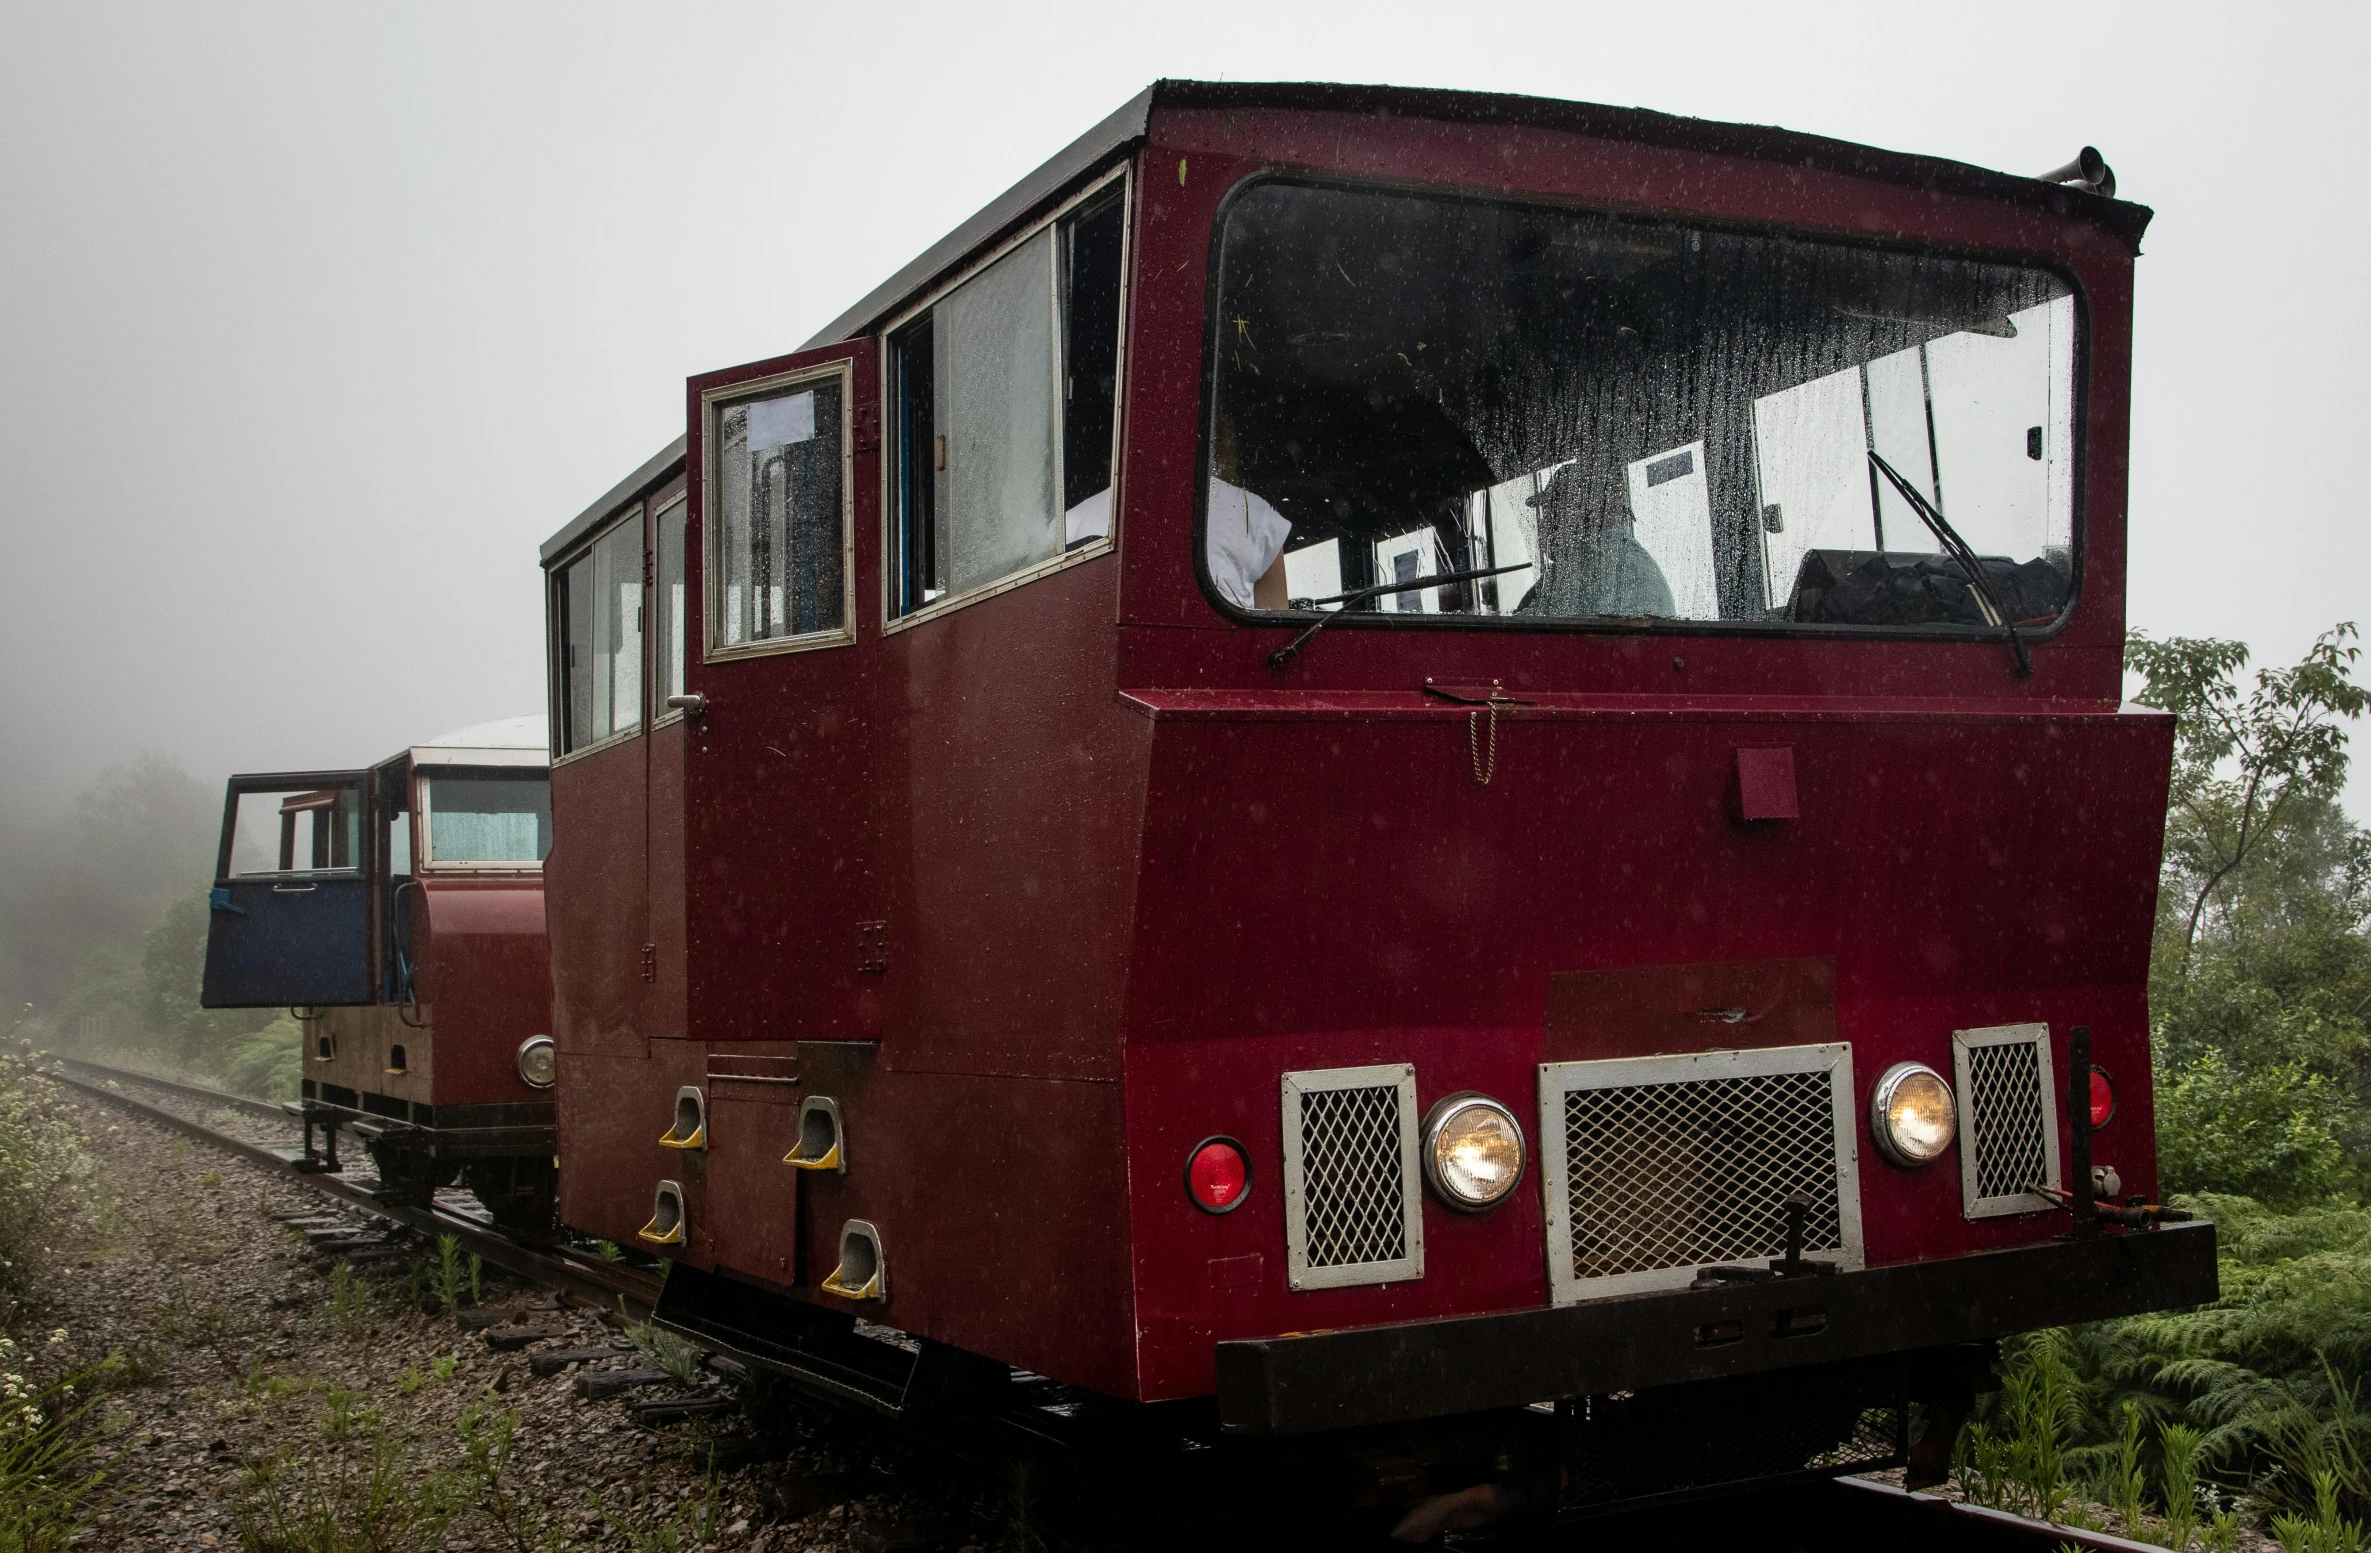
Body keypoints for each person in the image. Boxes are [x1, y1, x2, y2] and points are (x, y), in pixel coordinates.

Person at [1516, 460, 1674, 617]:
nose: (1544, 525)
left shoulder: (1595, 564)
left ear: (1578, 511)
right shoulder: (1612, 556)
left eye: (1551, 513)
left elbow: (1538, 631)